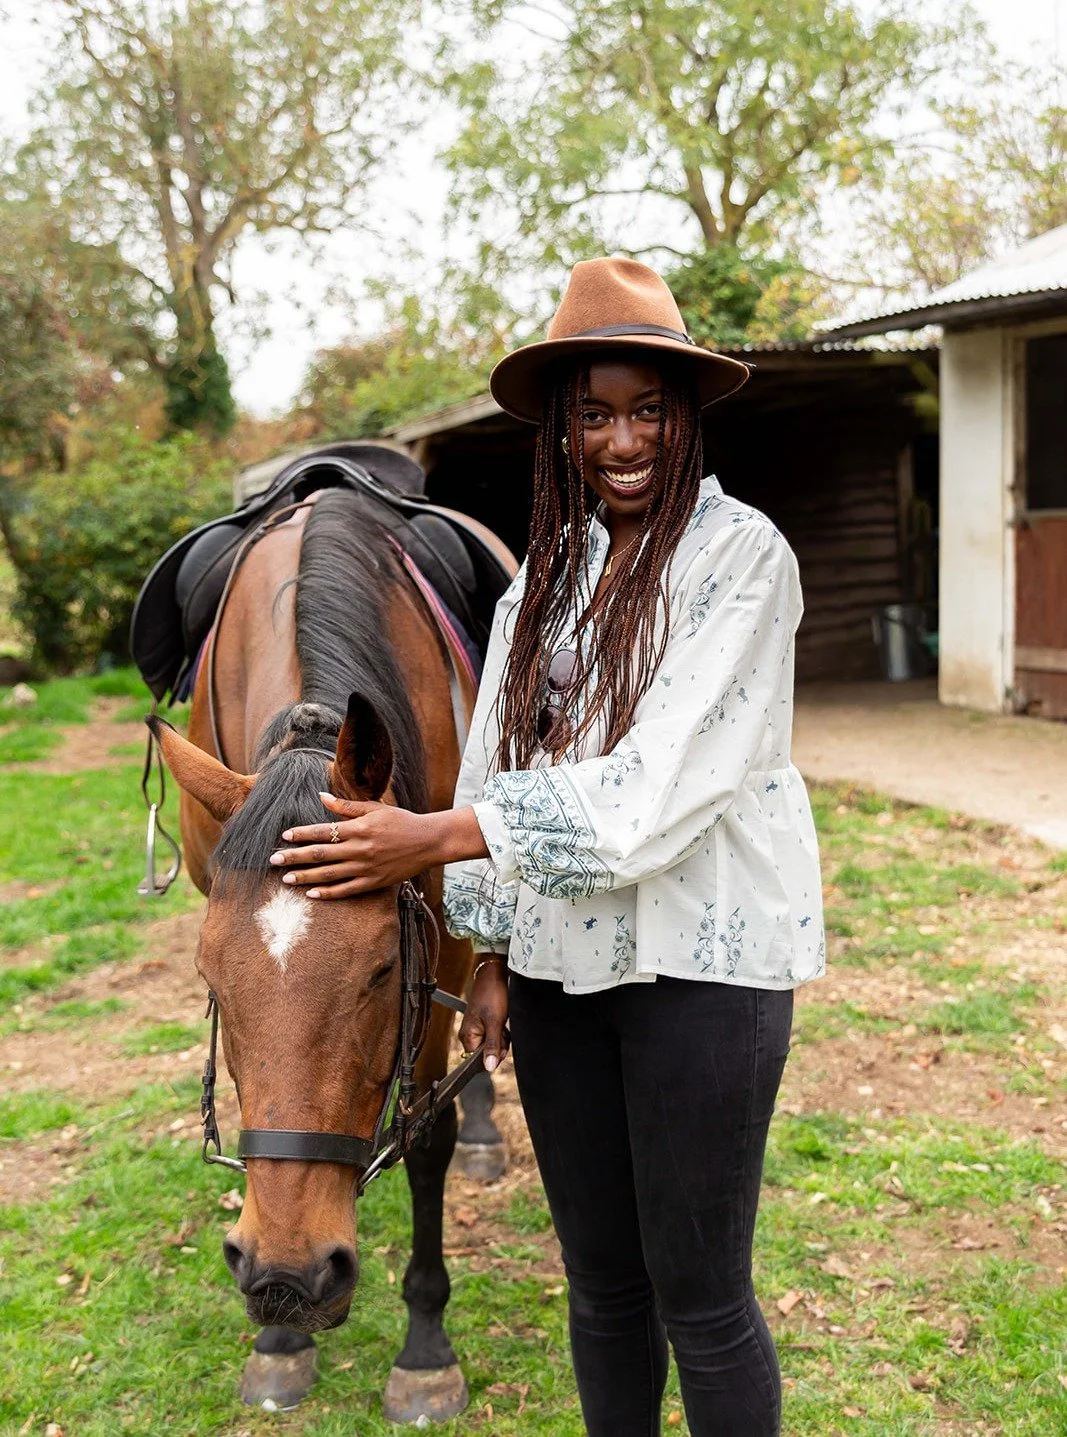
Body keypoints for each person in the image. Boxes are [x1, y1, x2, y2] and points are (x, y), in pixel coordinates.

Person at [268, 257, 825, 1436]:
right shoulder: (546, 583)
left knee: (702, 1299)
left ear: (685, 418)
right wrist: (491, 955)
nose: (620, 441)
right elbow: (499, 765)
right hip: (563, 974)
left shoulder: (740, 562)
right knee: (602, 1287)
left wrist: (431, 836)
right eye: (593, 415)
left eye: (645, 412)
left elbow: (654, 787)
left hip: (700, 975)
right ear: (562, 431)